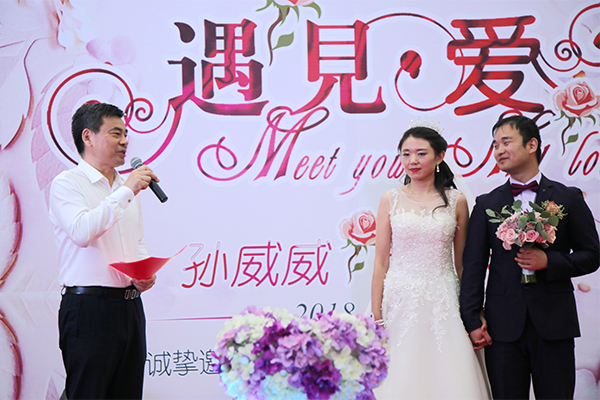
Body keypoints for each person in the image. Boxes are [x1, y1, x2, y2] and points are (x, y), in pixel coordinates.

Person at [460, 115, 600, 399]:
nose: (499, 150)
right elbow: (473, 266)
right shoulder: (487, 203)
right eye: (495, 145)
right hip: (501, 326)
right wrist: (472, 319)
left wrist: (550, 262)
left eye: (506, 142)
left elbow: (592, 255)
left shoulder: (567, 198)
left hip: (555, 323)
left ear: (532, 144)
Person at [371, 124, 491, 399]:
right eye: (406, 154)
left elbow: (462, 265)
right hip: (399, 299)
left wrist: (474, 309)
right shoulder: (390, 199)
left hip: (444, 298)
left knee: (448, 374)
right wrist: (376, 315)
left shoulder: (457, 201)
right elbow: (380, 263)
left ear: (439, 156)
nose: (412, 160)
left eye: (421, 153)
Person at [49, 102, 159, 399]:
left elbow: (136, 241)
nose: (125, 141)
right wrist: (126, 191)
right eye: (115, 133)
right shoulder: (67, 184)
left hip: (130, 308)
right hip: (88, 309)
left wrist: (143, 273)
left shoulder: (126, 187)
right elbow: (82, 232)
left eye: (125, 134)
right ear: (88, 136)